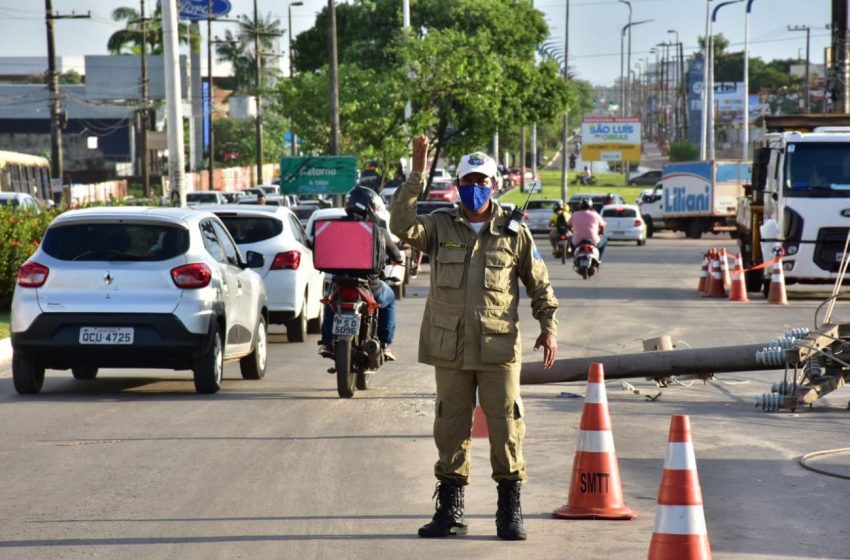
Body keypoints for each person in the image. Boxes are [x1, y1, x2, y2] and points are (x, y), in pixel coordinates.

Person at [391, 136, 558, 541]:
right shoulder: (440, 226)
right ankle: (450, 512)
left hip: (497, 348)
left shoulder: (513, 232)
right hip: (450, 349)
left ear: (494, 184)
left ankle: (509, 512)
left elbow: (539, 285)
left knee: (506, 429)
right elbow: (400, 225)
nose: (474, 187)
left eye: (482, 180)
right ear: (459, 183)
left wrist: (548, 326)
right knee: (450, 428)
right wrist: (417, 171)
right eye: (468, 180)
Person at [318, 186, 403, 361]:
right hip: (370, 286)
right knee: (390, 300)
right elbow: (396, 255)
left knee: (330, 302)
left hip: (340, 282)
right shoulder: (378, 229)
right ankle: (386, 345)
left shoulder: (334, 227)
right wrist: (396, 259)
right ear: (370, 206)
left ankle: (326, 342)